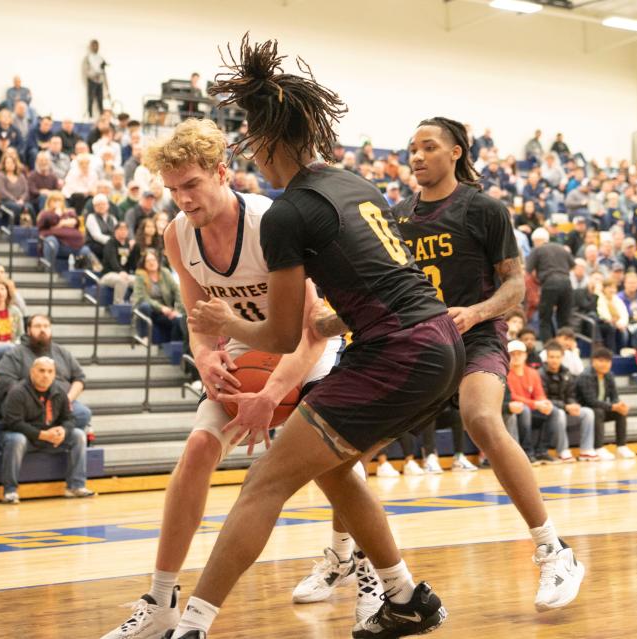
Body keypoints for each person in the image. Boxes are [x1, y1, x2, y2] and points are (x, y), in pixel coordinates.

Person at [169, 37, 466, 639]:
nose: (250, 150)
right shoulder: (355, 183)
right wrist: (333, 322)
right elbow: (375, 285)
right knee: (333, 470)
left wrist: (226, 325)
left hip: (395, 352)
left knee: (265, 481)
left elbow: (279, 336)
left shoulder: (286, 213)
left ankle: (191, 625)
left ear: (268, 140)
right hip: (435, 344)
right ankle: (405, 597)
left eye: (251, 139)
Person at [99, 118, 351, 639]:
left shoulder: (271, 223)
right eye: (172, 189)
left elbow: (309, 333)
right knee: (196, 449)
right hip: (243, 349)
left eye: (191, 184)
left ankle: (351, 559)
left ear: (222, 171)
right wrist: (205, 359)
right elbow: (199, 323)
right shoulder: (176, 235)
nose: (183, 198)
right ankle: (162, 596)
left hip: (307, 349)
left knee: (336, 461)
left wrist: (272, 394)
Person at [0, 357, 94, 503]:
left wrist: (63, 430)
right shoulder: (17, 391)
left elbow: (69, 419)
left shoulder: (59, 392)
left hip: (50, 438)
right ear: (32, 372)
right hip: (24, 437)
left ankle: (76, 486)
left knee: (79, 435)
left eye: (50, 371)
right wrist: (42, 435)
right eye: (41, 371)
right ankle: (10, 491)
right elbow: (14, 423)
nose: (46, 375)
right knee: (16, 439)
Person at [0, 315, 91, 434]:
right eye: (37, 326)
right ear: (28, 330)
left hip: (60, 403)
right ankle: (43, 436)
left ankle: (52, 437)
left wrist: (67, 400)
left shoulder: (61, 351)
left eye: (46, 326)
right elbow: (4, 379)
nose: (42, 330)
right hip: (30, 405)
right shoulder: (16, 353)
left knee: (83, 414)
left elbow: (79, 378)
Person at [540, 341, 595, 462]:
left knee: (587, 412)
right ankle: (562, 451)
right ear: (546, 358)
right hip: (548, 410)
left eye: (557, 357)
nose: (554, 360)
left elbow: (571, 394)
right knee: (559, 413)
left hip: (565, 408)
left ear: (562, 358)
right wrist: (566, 407)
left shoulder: (567, 373)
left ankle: (586, 450)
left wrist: (573, 404)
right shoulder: (540, 374)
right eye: (551, 357)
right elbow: (543, 398)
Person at [506, 340, 559, 464]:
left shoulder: (533, 373)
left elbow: (539, 394)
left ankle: (542, 451)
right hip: (514, 411)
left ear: (525, 355)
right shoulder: (505, 373)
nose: (516, 356)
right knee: (524, 410)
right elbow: (512, 397)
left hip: (531, 409)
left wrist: (544, 403)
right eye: (513, 354)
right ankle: (527, 452)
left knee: (554, 411)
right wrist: (535, 404)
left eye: (519, 353)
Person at [575, 347, 633, 460]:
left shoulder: (609, 375)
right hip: (584, 410)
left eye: (607, 361)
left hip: (600, 408)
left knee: (620, 413)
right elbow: (590, 401)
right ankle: (598, 447)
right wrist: (612, 406)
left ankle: (621, 446)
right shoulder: (586, 376)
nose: (604, 364)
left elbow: (614, 397)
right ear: (593, 361)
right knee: (598, 411)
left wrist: (620, 405)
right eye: (601, 361)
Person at [526, 227, 574, 341]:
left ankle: (548, 348)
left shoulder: (537, 250)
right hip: (567, 283)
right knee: (564, 319)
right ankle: (565, 346)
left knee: (545, 318)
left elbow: (528, 271)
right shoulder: (561, 248)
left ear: (536, 240)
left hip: (550, 283)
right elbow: (573, 265)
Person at [130, 249, 185, 344]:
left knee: (178, 320)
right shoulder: (140, 276)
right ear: (144, 263)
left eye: (154, 260)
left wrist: (177, 310)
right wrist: (161, 308)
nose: (152, 263)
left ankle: (172, 348)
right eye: (148, 261)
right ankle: (144, 337)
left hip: (164, 311)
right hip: (149, 310)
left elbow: (177, 291)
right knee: (144, 306)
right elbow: (143, 297)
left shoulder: (165, 272)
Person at [36, 191, 97, 265]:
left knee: (86, 250)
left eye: (59, 200)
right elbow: (46, 222)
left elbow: (75, 222)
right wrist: (57, 215)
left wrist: (61, 223)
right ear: (49, 202)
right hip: (58, 245)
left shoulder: (69, 212)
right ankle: (49, 268)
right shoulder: (44, 213)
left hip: (75, 245)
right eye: (54, 201)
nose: (57, 203)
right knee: (51, 241)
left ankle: (84, 274)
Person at [99, 221, 137, 305]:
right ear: (115, 231)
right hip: (108, 274)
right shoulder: (110, 243)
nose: (123, 231)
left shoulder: (128, 244)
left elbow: (132, 263)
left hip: (124, 274)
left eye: (125, 229)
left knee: (139, 281)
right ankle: (118, 304)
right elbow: (112, 260)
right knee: (121, 280)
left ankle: (133, 304)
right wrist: (120, 271)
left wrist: (133, 250)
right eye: (121, 229)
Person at [0, 153, 32, 225]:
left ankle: (32, 231)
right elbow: (1, 192)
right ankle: (13, 230)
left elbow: (26, 191)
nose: (10, 164)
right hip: (2, 202)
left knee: (30, 207)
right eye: (8, 162)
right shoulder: (0, 176)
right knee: (16, 207)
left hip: (19, 202)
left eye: (12, 162)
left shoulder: (21, 176)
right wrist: (14, 200)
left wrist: (22, 199)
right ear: (4, 164)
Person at [85, 193, 118, 260]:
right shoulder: (91, 217)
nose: (101, 206)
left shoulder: (113, 218)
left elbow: (117, 233)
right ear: (94, 207)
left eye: (103, 204)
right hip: (96, 244)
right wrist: (113, 242)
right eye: (98, 205)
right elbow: (97, 236)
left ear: (108, 206)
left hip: (112, 244)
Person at [83, 40, 107, 118]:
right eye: (94, 46)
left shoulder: (100, 58)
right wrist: (93, 75)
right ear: (91, 46)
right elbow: (86, 70)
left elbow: (103, 71)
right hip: (92, 80)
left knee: (100, 99)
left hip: (100, 80)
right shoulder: (88, 58)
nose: (95, 47)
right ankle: (90, 115)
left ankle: (102, 115)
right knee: (91, 98)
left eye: (97, 46)